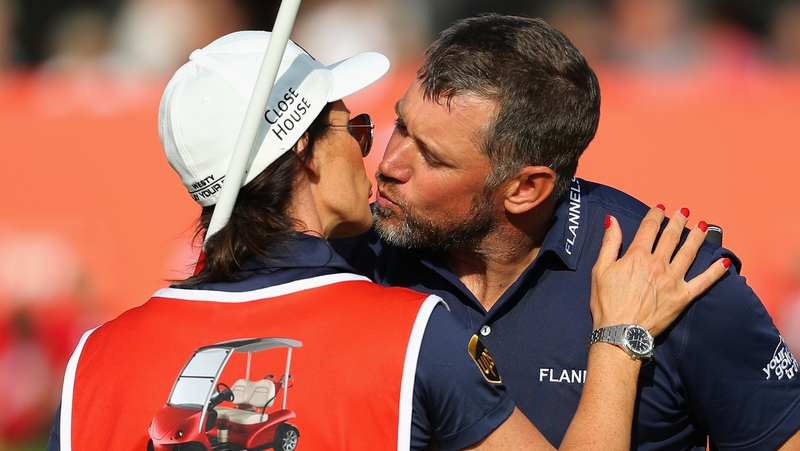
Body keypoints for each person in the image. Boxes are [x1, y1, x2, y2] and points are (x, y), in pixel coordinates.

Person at [46, 30, 726, 451]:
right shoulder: (410, 333)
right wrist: (619, 339)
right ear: (309, 156)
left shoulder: (90, 364)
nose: (377, 158)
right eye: (356, 128)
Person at [332, 13, 800, 451]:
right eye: (401, 125)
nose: (388, 165)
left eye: (432, 157)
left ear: (525, 189)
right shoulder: (342, 257)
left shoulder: (677, 279)